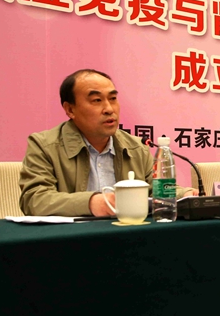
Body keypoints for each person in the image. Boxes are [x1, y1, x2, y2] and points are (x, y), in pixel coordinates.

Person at [19, 69, 194, 217]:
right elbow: (34, 200)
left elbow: (154, 191)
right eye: (97, 100)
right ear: (70, 109)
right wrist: (91, 203)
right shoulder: (44, 146)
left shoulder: (136, 147)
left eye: (113, 99)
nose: (109, 109)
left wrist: (184, 195)